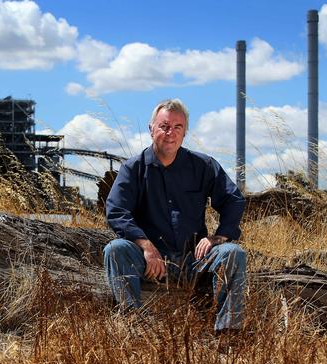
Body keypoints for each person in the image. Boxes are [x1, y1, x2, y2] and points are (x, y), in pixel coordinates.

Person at [104, 98, 246, 333]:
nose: (170, 133)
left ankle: (228, 333)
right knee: (115, 250)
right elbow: (116, 210)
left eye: (177, 127)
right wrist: (146, 246)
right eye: (164, 126)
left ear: (185, 132)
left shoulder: (203, 165)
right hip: (151, 260)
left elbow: (233, 199)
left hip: (194, 259)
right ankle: (134, 326)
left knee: (233, 253)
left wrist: (218, 237)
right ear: (151, 130)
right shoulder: (134, 168)